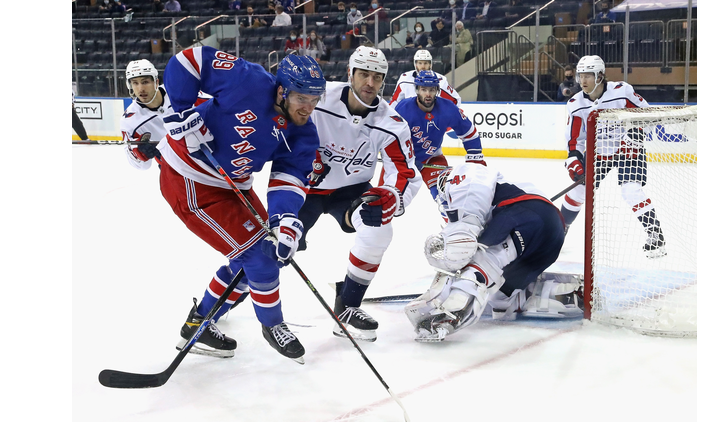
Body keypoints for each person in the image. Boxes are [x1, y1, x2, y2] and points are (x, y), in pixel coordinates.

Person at [156, 47, 326, 363]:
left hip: (234, 183)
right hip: (188, 174)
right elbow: (189, 60)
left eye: (315, 99)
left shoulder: (302, 132)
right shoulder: (247, 79)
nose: (309, 107)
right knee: (257, 257)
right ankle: (272, 324)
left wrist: (285, 219)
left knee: (266, 252)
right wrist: (181, 112)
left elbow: (289, 177)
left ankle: (200, 322)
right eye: (302, 98)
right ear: (282, 90)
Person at [299, 46, 422, 342]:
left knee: (379, 228)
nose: (370, 82)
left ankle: (348, 306)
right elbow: (282, 122)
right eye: (364, 74)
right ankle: (211, 311)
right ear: (350, 73)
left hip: (351, 190)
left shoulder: (390, 123)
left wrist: (392, 196)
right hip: (305, 187)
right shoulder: (318, 97)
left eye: (377, 77)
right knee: (273, 246)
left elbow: (404, 172)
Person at [404, 162, 566, 341]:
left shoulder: (461, 176)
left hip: (526, 214)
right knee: (500, 302)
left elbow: (462, 245)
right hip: (552, 236)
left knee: (483, 261)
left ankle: (448, 316)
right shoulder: (498, 187)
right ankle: (540, 292)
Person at [559, 55, 666, 258]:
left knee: (630, 190)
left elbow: (647, 114)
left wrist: (634, 134)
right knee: (579, 190)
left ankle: (655, 234)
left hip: (629, 148)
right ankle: (558, 232)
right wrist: (573, 159)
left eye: (588, 75)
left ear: (600, 76)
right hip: (600, 151)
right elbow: (575, 139)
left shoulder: (622, 92)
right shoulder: (575, 103)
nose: (583, 81)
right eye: (581, 75)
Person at [391, 70, 483, 216]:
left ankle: (455, 230)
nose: (428, 94)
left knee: (445, 196)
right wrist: (404, 160)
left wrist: (475, 157)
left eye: (432, 90)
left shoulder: (448, 109)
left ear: (437, 91)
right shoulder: (403, 108)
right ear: (417, 90)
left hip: (431, 158)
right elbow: (389, 137)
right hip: (403, 161)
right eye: (423, 89)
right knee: (391, 203)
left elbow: (469, 132)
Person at [390, 49, 461, 109]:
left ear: (430, 64)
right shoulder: (404, 79)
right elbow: (395, 101)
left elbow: (455, 100)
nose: (423, 66)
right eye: (420, 63)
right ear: (415, 64)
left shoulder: (440, 80)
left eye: (425, 63)